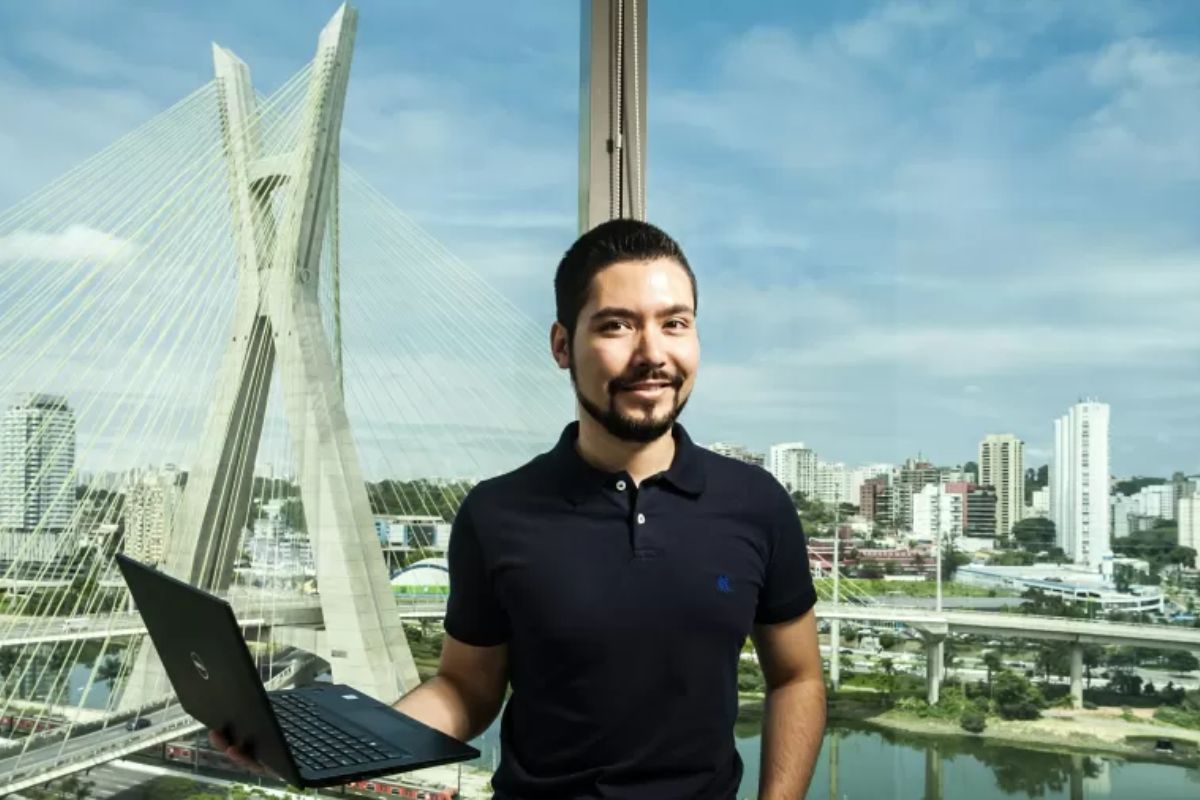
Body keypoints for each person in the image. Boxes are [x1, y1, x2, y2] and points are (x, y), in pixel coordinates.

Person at [213, 219, 825, 798]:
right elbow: (467, 688)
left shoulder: (756, 504)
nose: (652, 353)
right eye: (616, 326)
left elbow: (796, 678)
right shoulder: (497, 513)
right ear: (562, 345)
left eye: (675, 323)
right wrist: (343, 740)